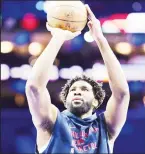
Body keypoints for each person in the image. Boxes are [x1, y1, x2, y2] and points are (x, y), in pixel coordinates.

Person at [25, 4, 130, 154]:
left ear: (96, 101)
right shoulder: (52, 123)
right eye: (73, 90)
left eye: (84, 89)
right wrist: (58, 37)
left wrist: (99, 37)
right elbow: (34, 88)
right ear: (66, 101)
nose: (77, 92)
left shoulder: (105, 128)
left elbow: (122, 94)